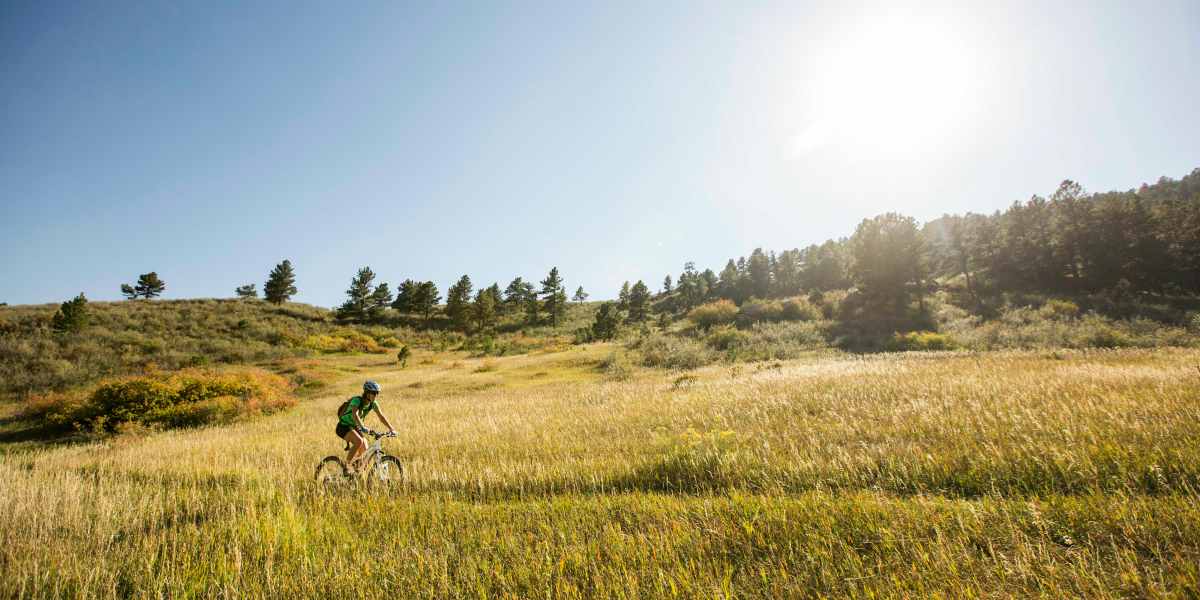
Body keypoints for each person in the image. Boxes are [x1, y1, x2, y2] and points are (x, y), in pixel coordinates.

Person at [336, 380, 396, 474]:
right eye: (373, 393)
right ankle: (346, 467)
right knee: (358, 441)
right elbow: (354, 414)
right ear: (367, 393)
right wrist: (363, 427)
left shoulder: (373, 403)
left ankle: (355, 472)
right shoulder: (357, 400)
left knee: (365, 450)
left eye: (377, 393)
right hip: (343, 426)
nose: (375, 395)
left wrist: (391, 429)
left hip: (355, 427)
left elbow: (381, 416)